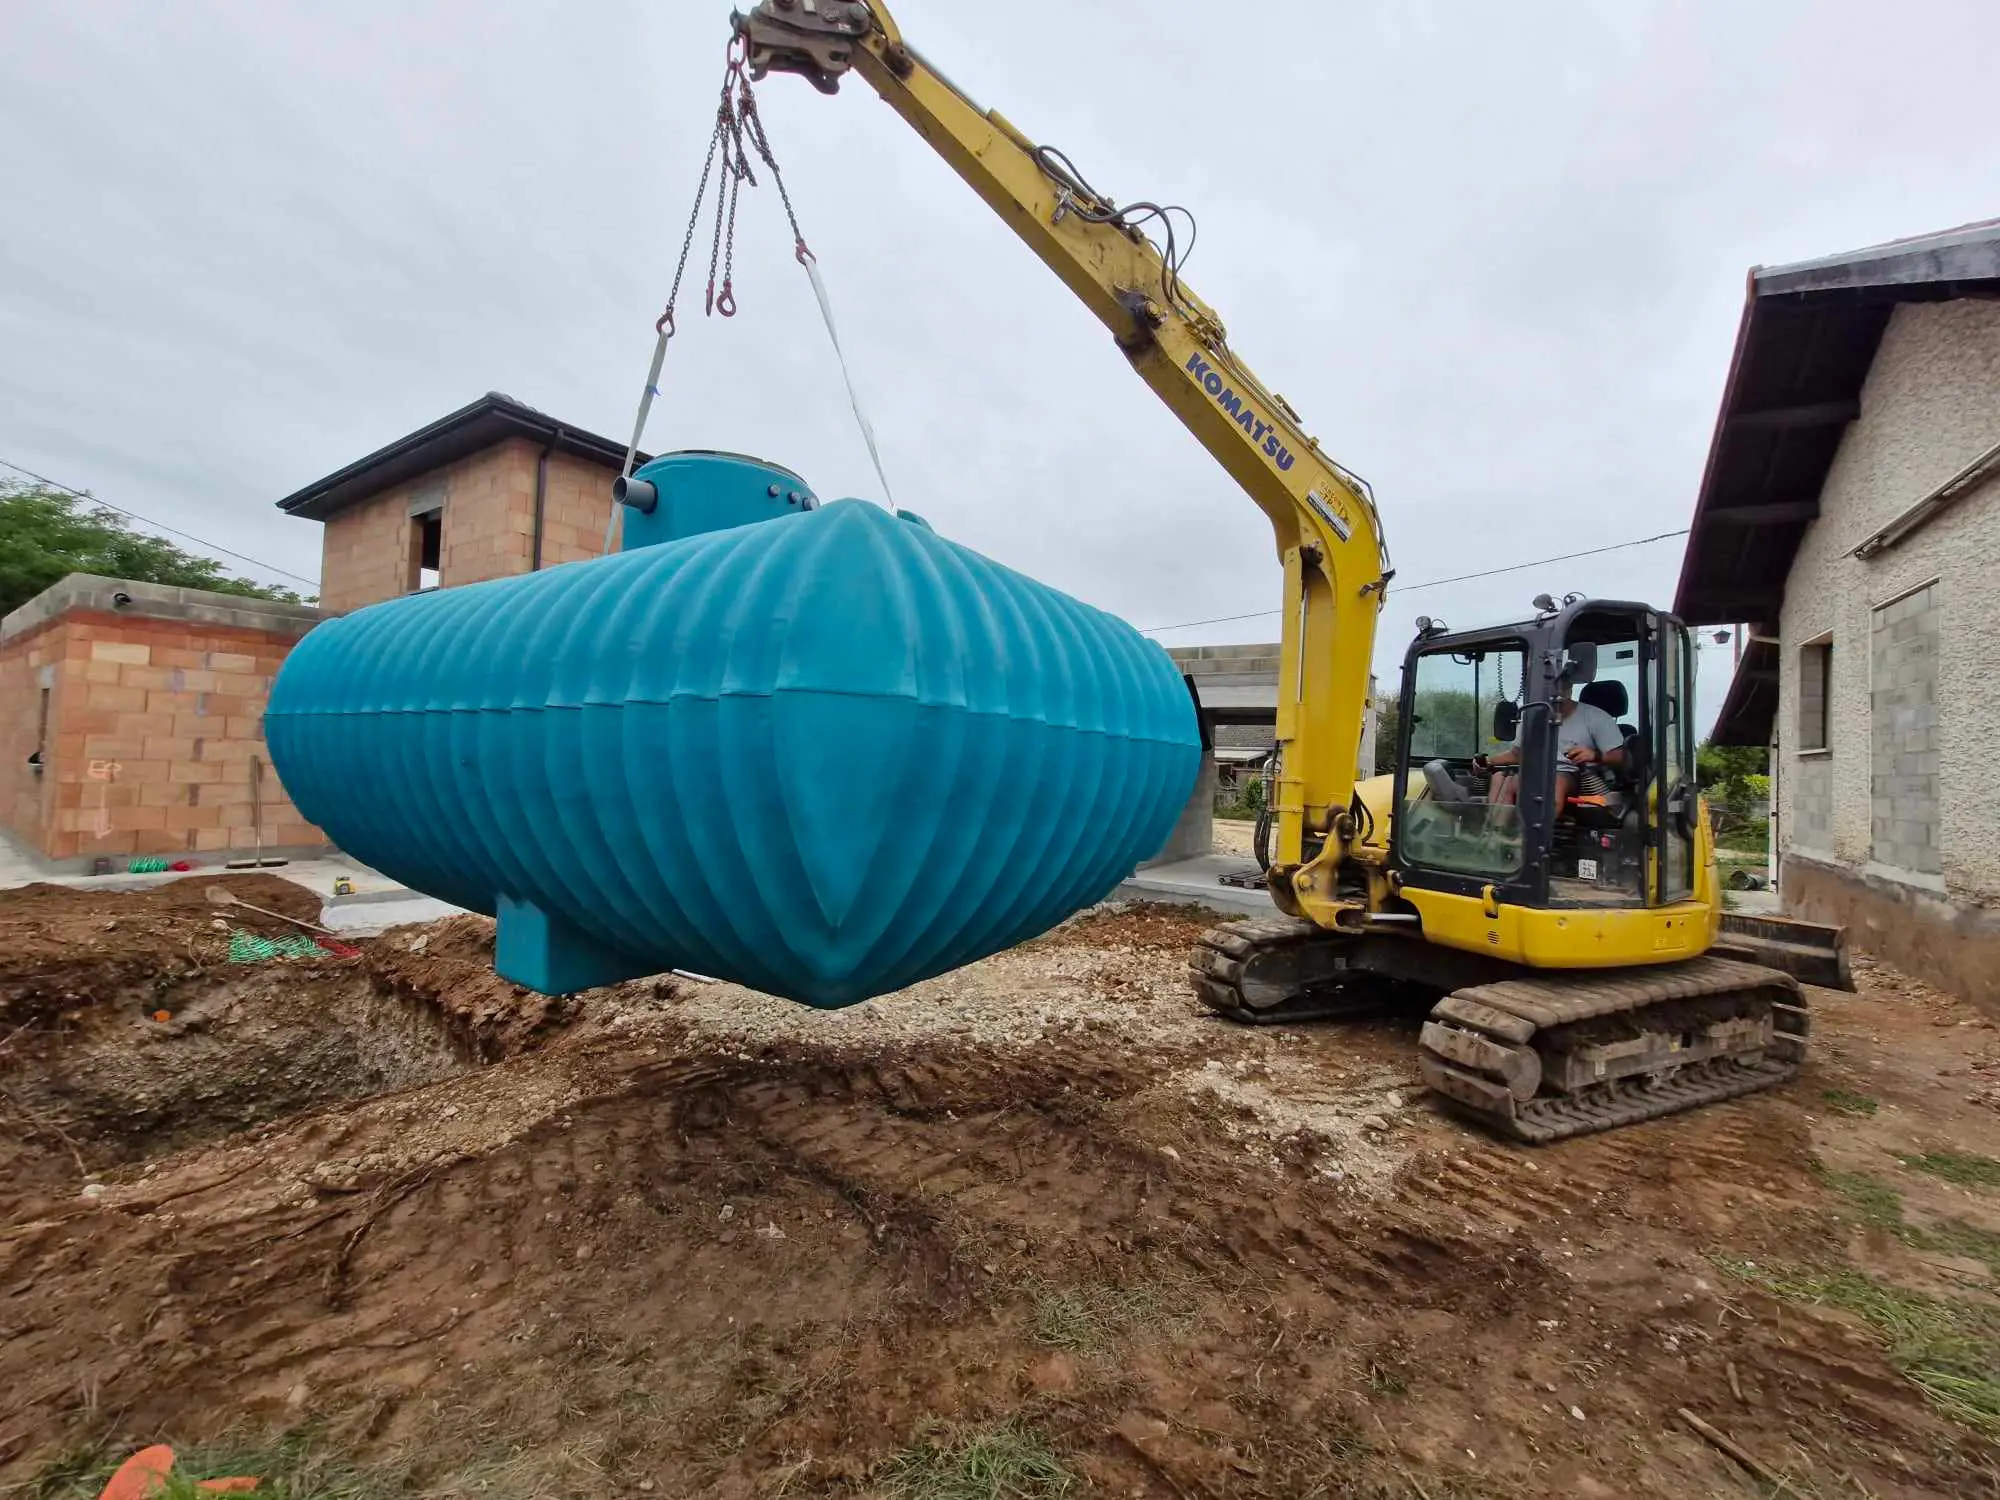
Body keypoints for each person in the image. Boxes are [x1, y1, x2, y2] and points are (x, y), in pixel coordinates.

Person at [1476, 674, 1624, 818]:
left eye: (1559, 690)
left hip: (1573, 775)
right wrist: (1487, 761)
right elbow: (1518, 754)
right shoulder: (1532, 717)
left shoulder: (1595, 717)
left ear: (1569, 690)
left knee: (1554, 783)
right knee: (1500, 779)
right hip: (1537, 772)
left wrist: (1594, 755)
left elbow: (1622, 756)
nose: (1554, 698)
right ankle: (1498, 832)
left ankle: (1537, 833)